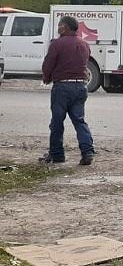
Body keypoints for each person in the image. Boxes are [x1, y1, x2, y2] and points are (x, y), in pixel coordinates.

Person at [39, 15, 95, 165]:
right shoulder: (84, 44)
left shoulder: (57, 44)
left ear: (64, 27)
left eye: (60, 25)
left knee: (57, 122)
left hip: (62, 87)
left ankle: (57, 155)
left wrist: (46, 78)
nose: (58, 28)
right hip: (81, 87)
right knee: (79, 120)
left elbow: (48, 64)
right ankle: (87, 152)